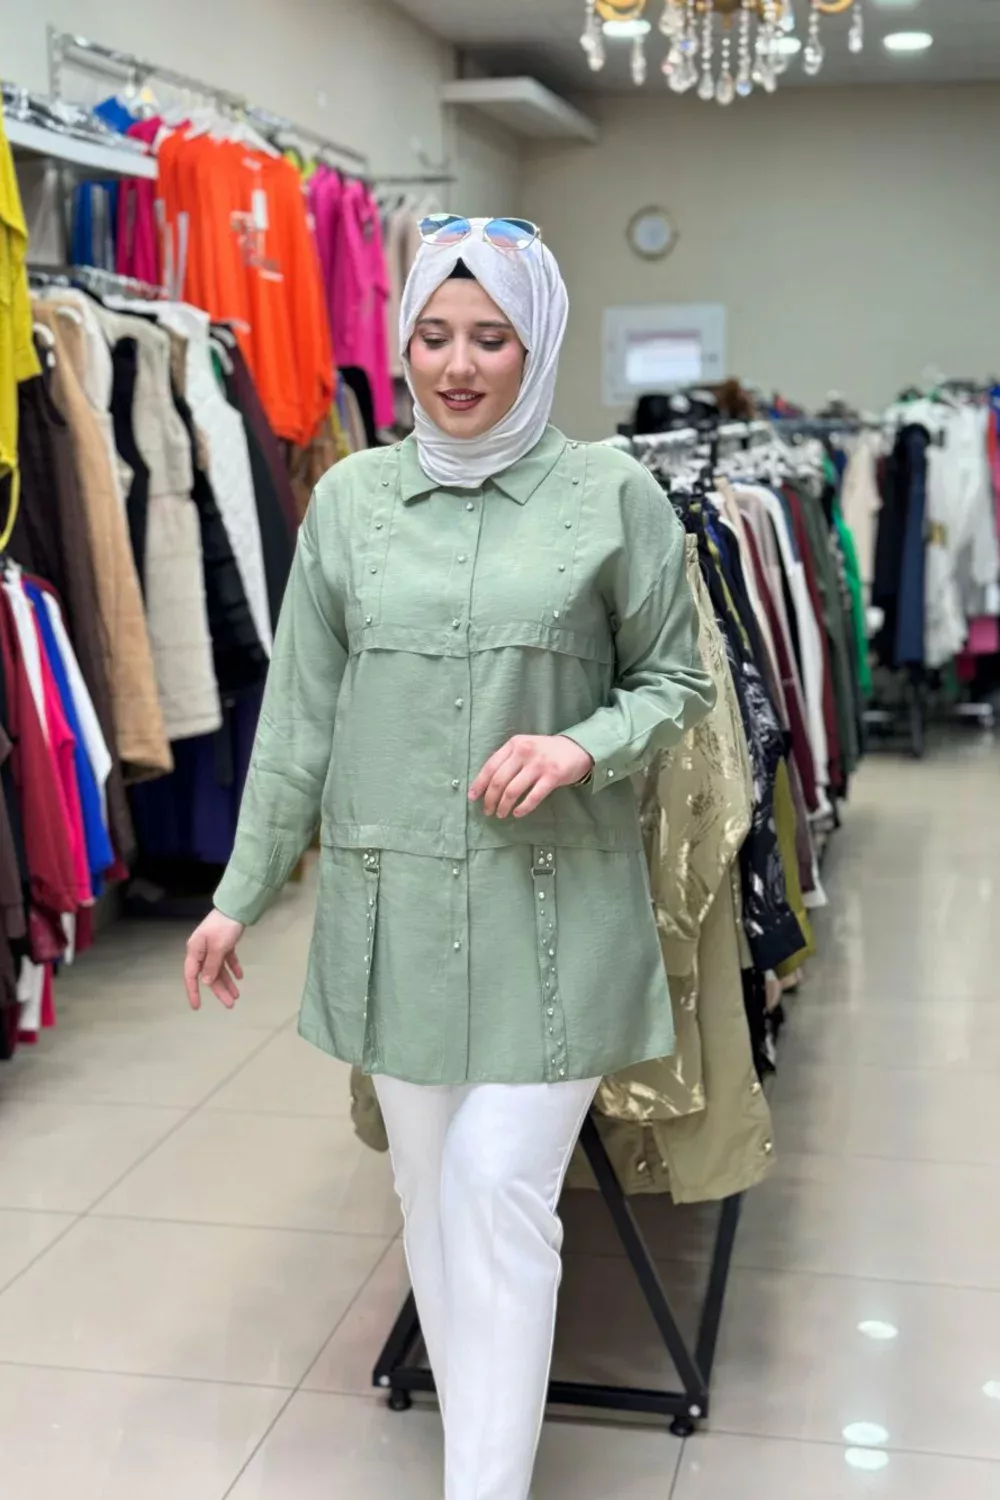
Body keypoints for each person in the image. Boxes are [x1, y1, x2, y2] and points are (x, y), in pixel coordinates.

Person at [184, 215, 716, 1500]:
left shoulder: (613, 497)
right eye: (432, 335)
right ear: (402, 342)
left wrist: (583, 743)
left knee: (492, 1186)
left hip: (559, 912)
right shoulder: (350, 503)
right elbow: (300, 718)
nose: (458, 365)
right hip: (398, 912)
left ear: (536, 345)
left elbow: (678, 681)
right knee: (429, 1198)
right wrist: (237, 895)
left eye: (491, 337)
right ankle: (481, 1467)